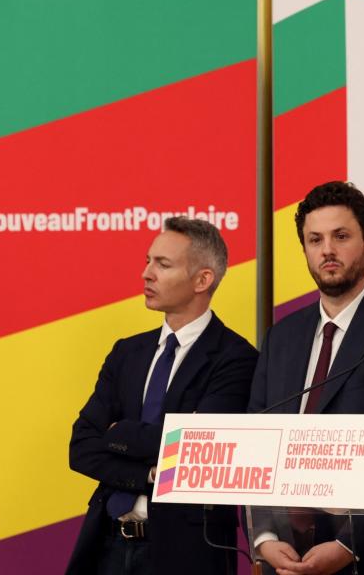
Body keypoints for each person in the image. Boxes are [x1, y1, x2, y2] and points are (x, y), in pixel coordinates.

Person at [66, 216, 258, 575]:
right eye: (148, 261)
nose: (146, 274)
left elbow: (199, 450)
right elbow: (81, 446)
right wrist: (151, 474)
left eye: (163, 264)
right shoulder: (126, 353)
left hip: (187, 554)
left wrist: (118, 431)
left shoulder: (237, 359)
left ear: (203, 280)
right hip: (107, 546)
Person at [247, 181, 364, 575]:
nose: (327, 250)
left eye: (341, 236)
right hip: (281, 557)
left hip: (362, 558)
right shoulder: (281, 336)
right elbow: (255, 438)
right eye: (314, 239)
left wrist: (348, 544)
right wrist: (265, 539)